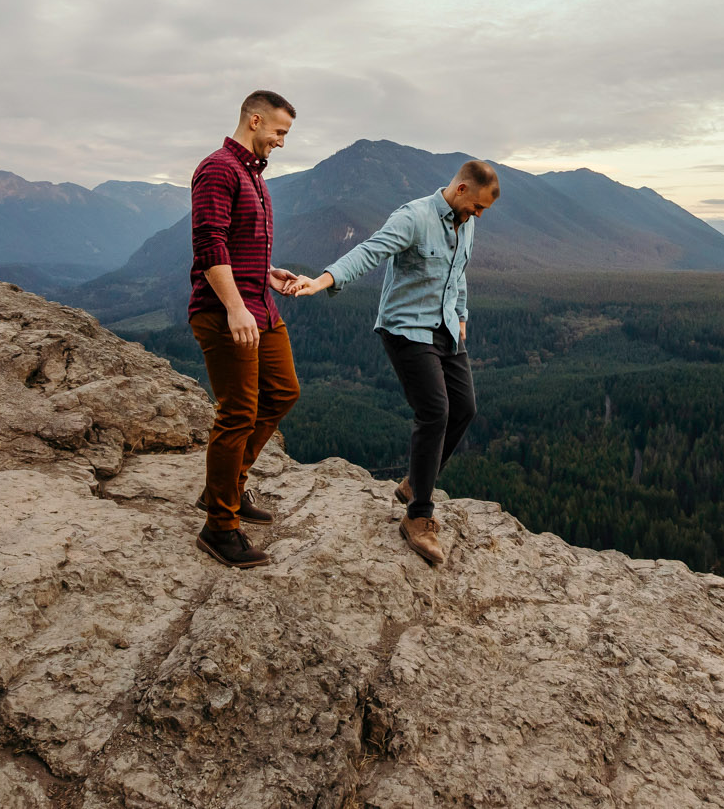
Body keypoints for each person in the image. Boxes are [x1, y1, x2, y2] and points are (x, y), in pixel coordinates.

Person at [289, 159, 499, 566]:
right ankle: (418, 516)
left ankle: (413, 483)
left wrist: (461, 315)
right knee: (435, 411)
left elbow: (459, 273)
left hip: (444, 328)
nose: (479, 215)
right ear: (460, 191)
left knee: (465, 409)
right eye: (478, 207)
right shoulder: (414, 217)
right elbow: (370, 251)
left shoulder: (466, 222)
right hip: (406, 329)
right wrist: (321, 280)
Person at [189, 90, 309, 569]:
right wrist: (236, 307)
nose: (282, 141)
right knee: (238, 412)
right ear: (255, 120)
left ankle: (226, 488)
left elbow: (239, 246)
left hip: (260, 304)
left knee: (282, 392)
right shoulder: (218, 168)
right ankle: (220, 527)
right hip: (225, 312)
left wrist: (269, 272)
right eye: (279, 132)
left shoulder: (253, 176)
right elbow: (210, 244)